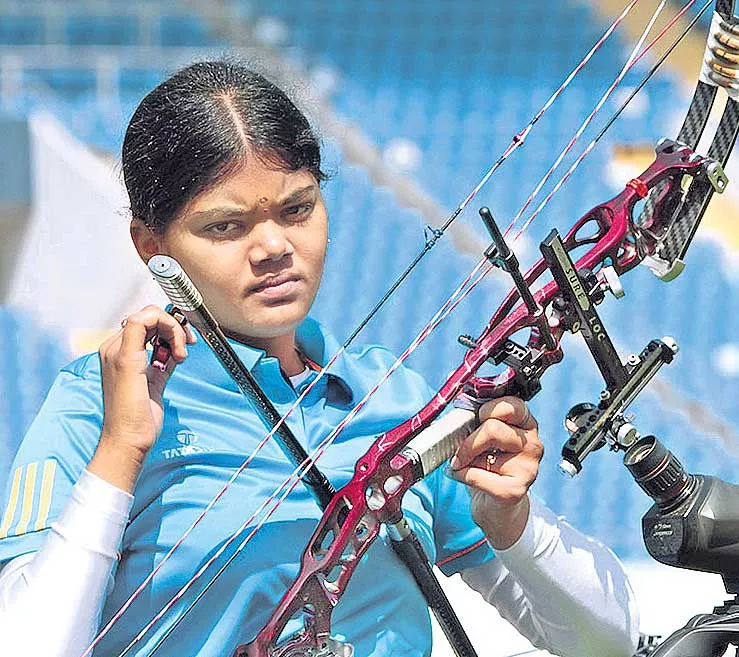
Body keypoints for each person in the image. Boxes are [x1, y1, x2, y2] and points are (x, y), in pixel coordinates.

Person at [0, 61, 639, 657]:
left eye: (298, 209)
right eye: (225, 226)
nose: (274, 246)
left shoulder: (395, 397)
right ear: (152, 246)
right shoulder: (98, 404)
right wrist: (120, 450)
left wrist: (513, 525)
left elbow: (608, 644)